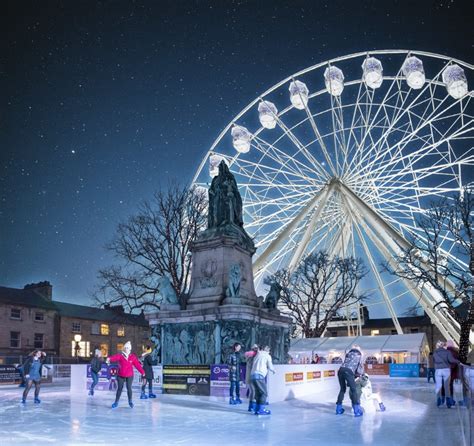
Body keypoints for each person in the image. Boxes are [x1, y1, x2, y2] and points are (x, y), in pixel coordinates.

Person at [107, 341, 145, 408]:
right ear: (124, 349)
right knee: (119, 389)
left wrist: (142, 372)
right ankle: (116, 402)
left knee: (129, 388)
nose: (127, 349)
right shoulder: (121, 356)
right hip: (120, 375)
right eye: (126, 348)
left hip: (129, 375)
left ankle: (130, 401)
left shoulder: (132, 357)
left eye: (128, 348)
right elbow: (115, 357)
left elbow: (137, 365)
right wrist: (109, 359)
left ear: (130, 349)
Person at [335, 344, 364, 417]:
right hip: (349, 371)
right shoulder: (359, 355)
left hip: (340, 370)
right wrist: (359, 375)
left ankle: (338, 409)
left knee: (342, 389)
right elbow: (359, 368)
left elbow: (346, 363)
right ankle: (356, 411)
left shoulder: (348, 354)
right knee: (354, 390)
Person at [433, 340, 460, 408]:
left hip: (438, 370)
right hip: (446, 370)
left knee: (438, 386)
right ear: (443, 346)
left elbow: (434, 361)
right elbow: (451, 360)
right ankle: (448, 403)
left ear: (438, 346)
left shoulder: (435, 353)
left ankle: (439, 401)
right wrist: (458, 361)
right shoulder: (447, 352)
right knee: (447, 386)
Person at [250, 345, 275, 415]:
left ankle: (257, 408)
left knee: (258, 393)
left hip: (252, 376)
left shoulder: (257, 355)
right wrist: (274, 370)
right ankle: (261, 409)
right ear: (268, 351)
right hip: (259, 376)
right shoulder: (267, 356)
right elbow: (270, 366)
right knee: (264, 393)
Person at [244, 344, 259, 412]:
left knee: (253, 391)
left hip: (251, 377)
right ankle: (252, 406)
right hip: (251, 377)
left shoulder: (251, 357)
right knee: (253, 391)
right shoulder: (251, 358)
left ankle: (251, 406)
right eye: (255, 349)